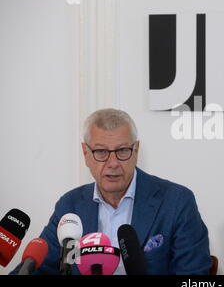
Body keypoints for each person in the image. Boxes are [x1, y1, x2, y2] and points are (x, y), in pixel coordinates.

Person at [12, 108, 211, 274]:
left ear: (136, 151)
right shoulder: (71, 206)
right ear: (86, 154)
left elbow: (193, 276)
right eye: (101, 152)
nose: (113, 163)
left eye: (122, 150)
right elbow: (41, 269)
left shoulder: (176, 202)